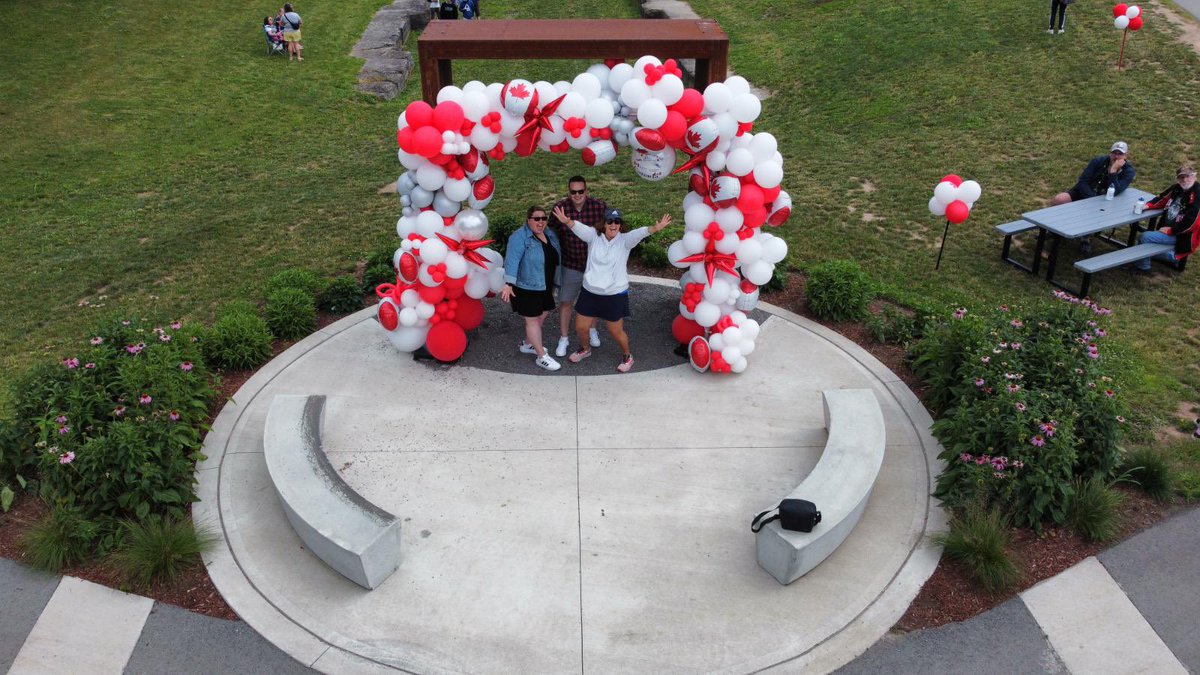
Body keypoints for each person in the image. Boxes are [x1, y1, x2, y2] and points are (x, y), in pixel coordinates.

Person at [552, 206, 672, 373]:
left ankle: (627, 355)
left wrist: (655, 228)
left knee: (615, 331)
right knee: (580, 327)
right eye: (610, 221)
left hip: (614, 294)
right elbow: (578, 228)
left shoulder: (625, 240)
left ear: (620, 225)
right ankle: (585, 349)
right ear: (604, 224)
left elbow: (640, 232)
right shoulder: (593, 236)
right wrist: (567, 221)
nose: (613, 224)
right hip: (590, 292)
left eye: (617, 221)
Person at [550, 176, 608, 357]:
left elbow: (610, 229)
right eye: (573, 192)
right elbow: (550, 232)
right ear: (569, 192)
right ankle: (564, 338)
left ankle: (592, 330)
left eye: (580, 191)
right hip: (570, 262)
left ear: (586, 191)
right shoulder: (561, 209)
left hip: (593, 264)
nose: (577, 195)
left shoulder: (599, 207)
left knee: (592, 300)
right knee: (566, 302)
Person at [502, 206, 563, 371]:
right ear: (528, 219)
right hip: (526, 286)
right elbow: (512, 260)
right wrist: (508, 284)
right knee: (532, 320)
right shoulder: (519, 237)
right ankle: (541, 357)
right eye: (537, 218)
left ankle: (528, 344)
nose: (541, 222)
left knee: (543, 313)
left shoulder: (548, 233)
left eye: (544, 218)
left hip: (544, 285)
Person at [1052, 141, 1136, 253]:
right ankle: (1053, 230)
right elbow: (1083, 181)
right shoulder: (1098, 161)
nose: (1116, 156)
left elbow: (1115, 190)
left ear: (1126, 155)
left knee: (1093, 212)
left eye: (1120, 154)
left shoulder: (1129, 171)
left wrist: (1113, 172)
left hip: (1104, 200)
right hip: (1083, 192)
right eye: (1114, 153)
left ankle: (1085, 238)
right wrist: (1090, 198)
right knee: (1059, 199)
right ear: (1110, 153)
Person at [1133, 164, 1199, 272]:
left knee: (1145, 237)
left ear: (1194, 177)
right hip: (1169, 231)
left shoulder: (1197, 194)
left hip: (1183, 237)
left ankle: (1145, 266)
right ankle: (1153, 255)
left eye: (1188, 176)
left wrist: (1171, 231)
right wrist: (1147, 206)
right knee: (1146, 240)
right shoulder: (1177, 188)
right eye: (1182, 177)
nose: (1185, 180)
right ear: (1178, 179)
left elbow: (1192, 223)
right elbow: (1161, 199)